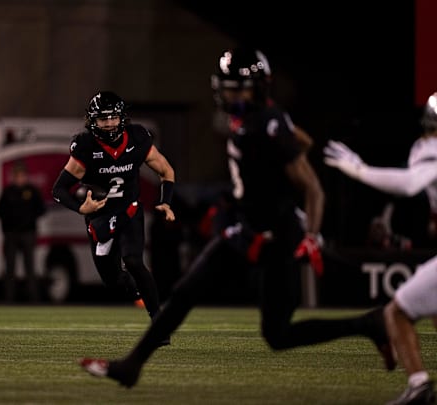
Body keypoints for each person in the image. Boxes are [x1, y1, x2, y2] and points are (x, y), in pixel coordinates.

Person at [79, 48, 396, 388]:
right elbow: (302, 139)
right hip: (245, 228)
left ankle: (370, 325)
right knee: (186, 292)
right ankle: (131, 367)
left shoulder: (267, 124)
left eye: (239, 87)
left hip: (277, 236)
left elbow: (314, 188)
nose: (231, 94)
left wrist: (311, 236)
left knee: (278, 334)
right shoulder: (255, 119)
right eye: (228, 86)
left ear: (259, 87)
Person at [323, 91, 437, 404]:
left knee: (397, 312)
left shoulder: (431, 150)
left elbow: (410, 183)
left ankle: (419, 386)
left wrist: (359, 169)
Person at [52, 90, 176, 337]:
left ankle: (159, 322)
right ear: (92, 121)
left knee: (133, 260)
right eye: (102, 118)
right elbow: (59, 190)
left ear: (122, 118)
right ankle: (136, 290)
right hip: (99, 217)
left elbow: (166, 170)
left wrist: (165, 201)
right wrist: (81, 208)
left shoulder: (138, 138)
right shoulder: (86, 146)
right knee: (111, 279)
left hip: (129, 210)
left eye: (113, 117)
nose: (109, 123)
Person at [0, 162, 46, 302]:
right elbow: (0, 211)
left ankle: (33, 297)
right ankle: (9, 297)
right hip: (11, 234)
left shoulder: (32, 191)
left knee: (29, 266)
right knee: (10, 267)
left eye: (22, 175)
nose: (20, 178)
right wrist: (9, 224)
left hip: (28, 233)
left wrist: (28, 220)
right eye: (17, 175)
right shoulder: (8, 192)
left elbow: (41, 210)